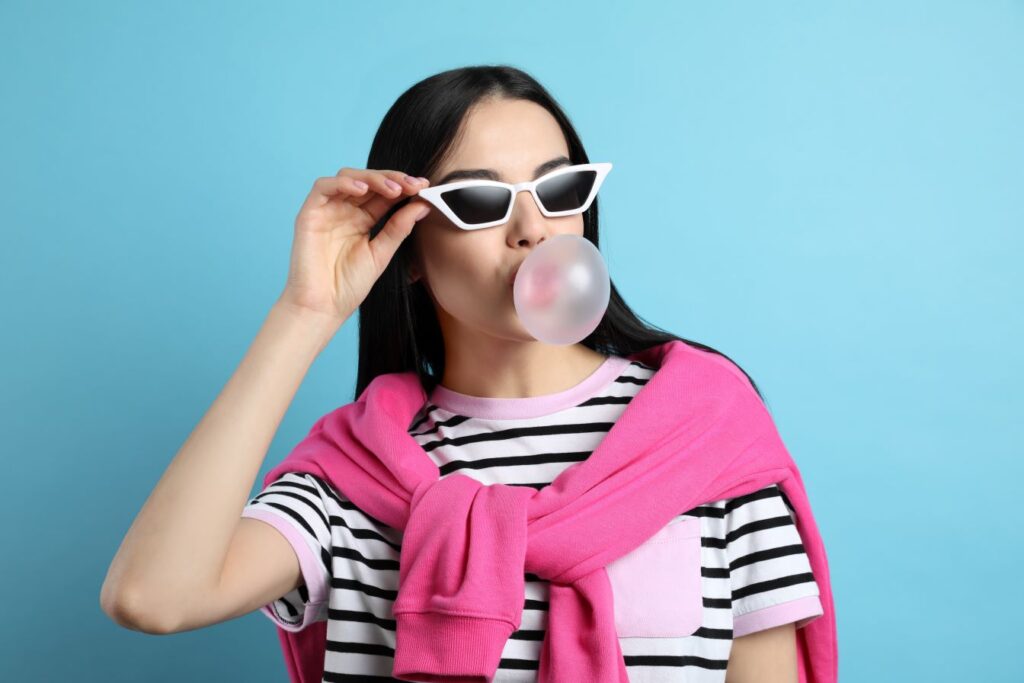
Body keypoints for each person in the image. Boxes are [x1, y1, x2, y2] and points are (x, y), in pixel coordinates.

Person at [100, 65, 824, 682]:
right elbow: (152, 596)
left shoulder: (703, 434)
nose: (533, 229)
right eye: (480, 201)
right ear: (407, 249)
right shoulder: (357, 474)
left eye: (560, 189)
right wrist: (305, 313)